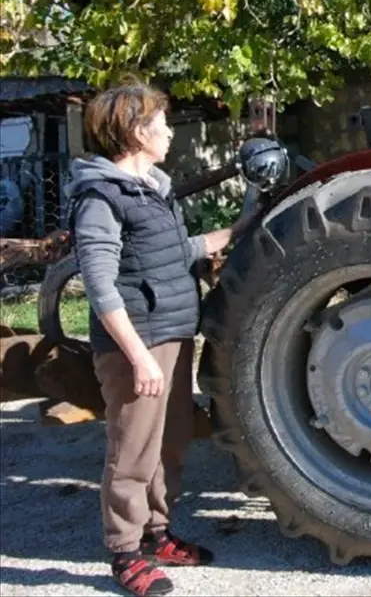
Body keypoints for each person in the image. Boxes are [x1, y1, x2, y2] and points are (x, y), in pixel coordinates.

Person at [66, 80, 253, 597]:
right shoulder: (101, 197)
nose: (170, 132)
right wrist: (138, 359)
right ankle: (124, 553)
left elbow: (178, 250)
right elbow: (100, 285)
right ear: (133, 131)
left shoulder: (152, 188)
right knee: (132, 452)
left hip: (171, 335)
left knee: (168, 446)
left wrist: (239, 229)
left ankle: (157, 533)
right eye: (161, 124)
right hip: (136, 346)